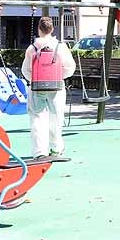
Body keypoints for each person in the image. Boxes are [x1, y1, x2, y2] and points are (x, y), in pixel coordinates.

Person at [22, 16, 76, 160]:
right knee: (56, 118)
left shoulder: (32, 48)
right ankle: (56, 148)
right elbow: (70, 68)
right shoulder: (60, 47)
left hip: (37, 87)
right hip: (56, 87)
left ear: (39, 29)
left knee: (37, 118)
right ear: (52, 29)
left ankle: (39, 151)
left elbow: (25, 70)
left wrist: (34, 80)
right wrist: (58, 77)